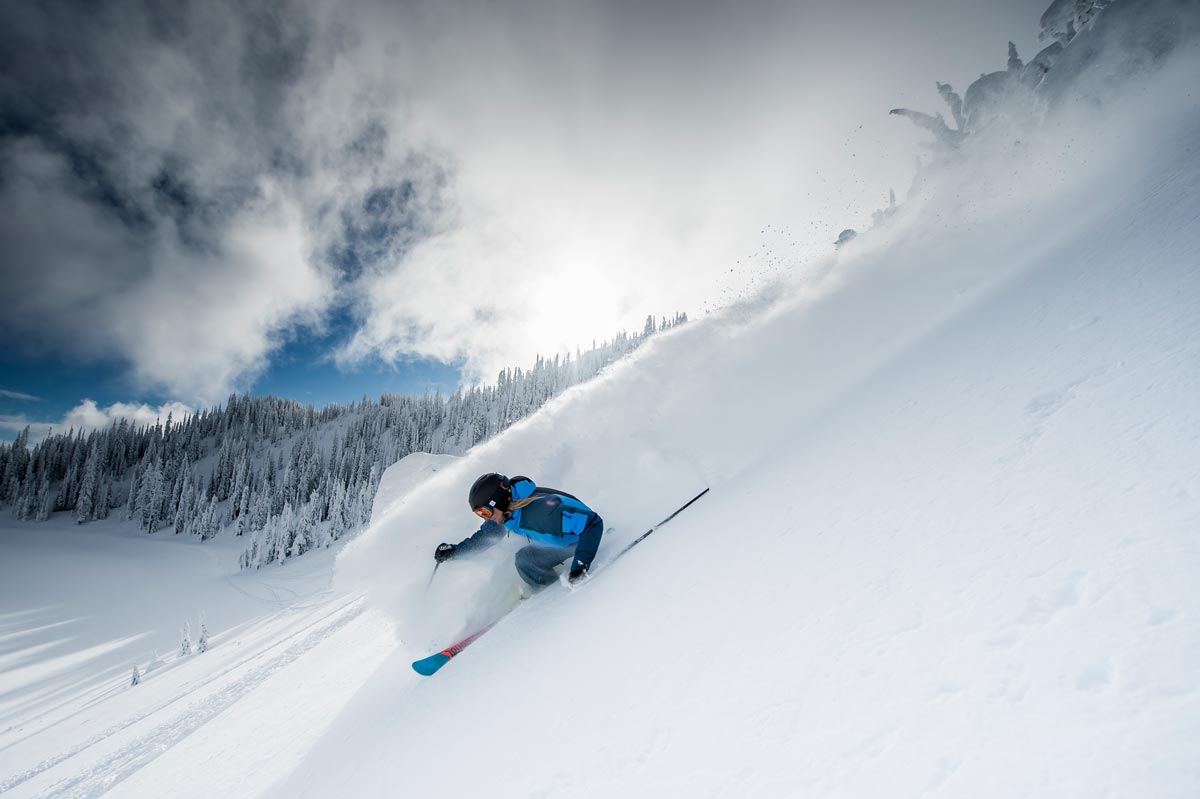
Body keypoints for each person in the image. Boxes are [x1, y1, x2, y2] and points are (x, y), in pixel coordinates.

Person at [433, 473, 604, 587]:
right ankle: (549, 589)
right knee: (524, 559)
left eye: (485, 511)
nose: (486, 517)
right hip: (560, 539)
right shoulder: (507, 515)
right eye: (480, 514)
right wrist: (454, 551)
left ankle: (554, 596)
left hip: (579, 540)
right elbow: (485, 537)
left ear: (498, 502)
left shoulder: (542, 513)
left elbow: (592, 523)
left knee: (525, 560)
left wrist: (579, 568)